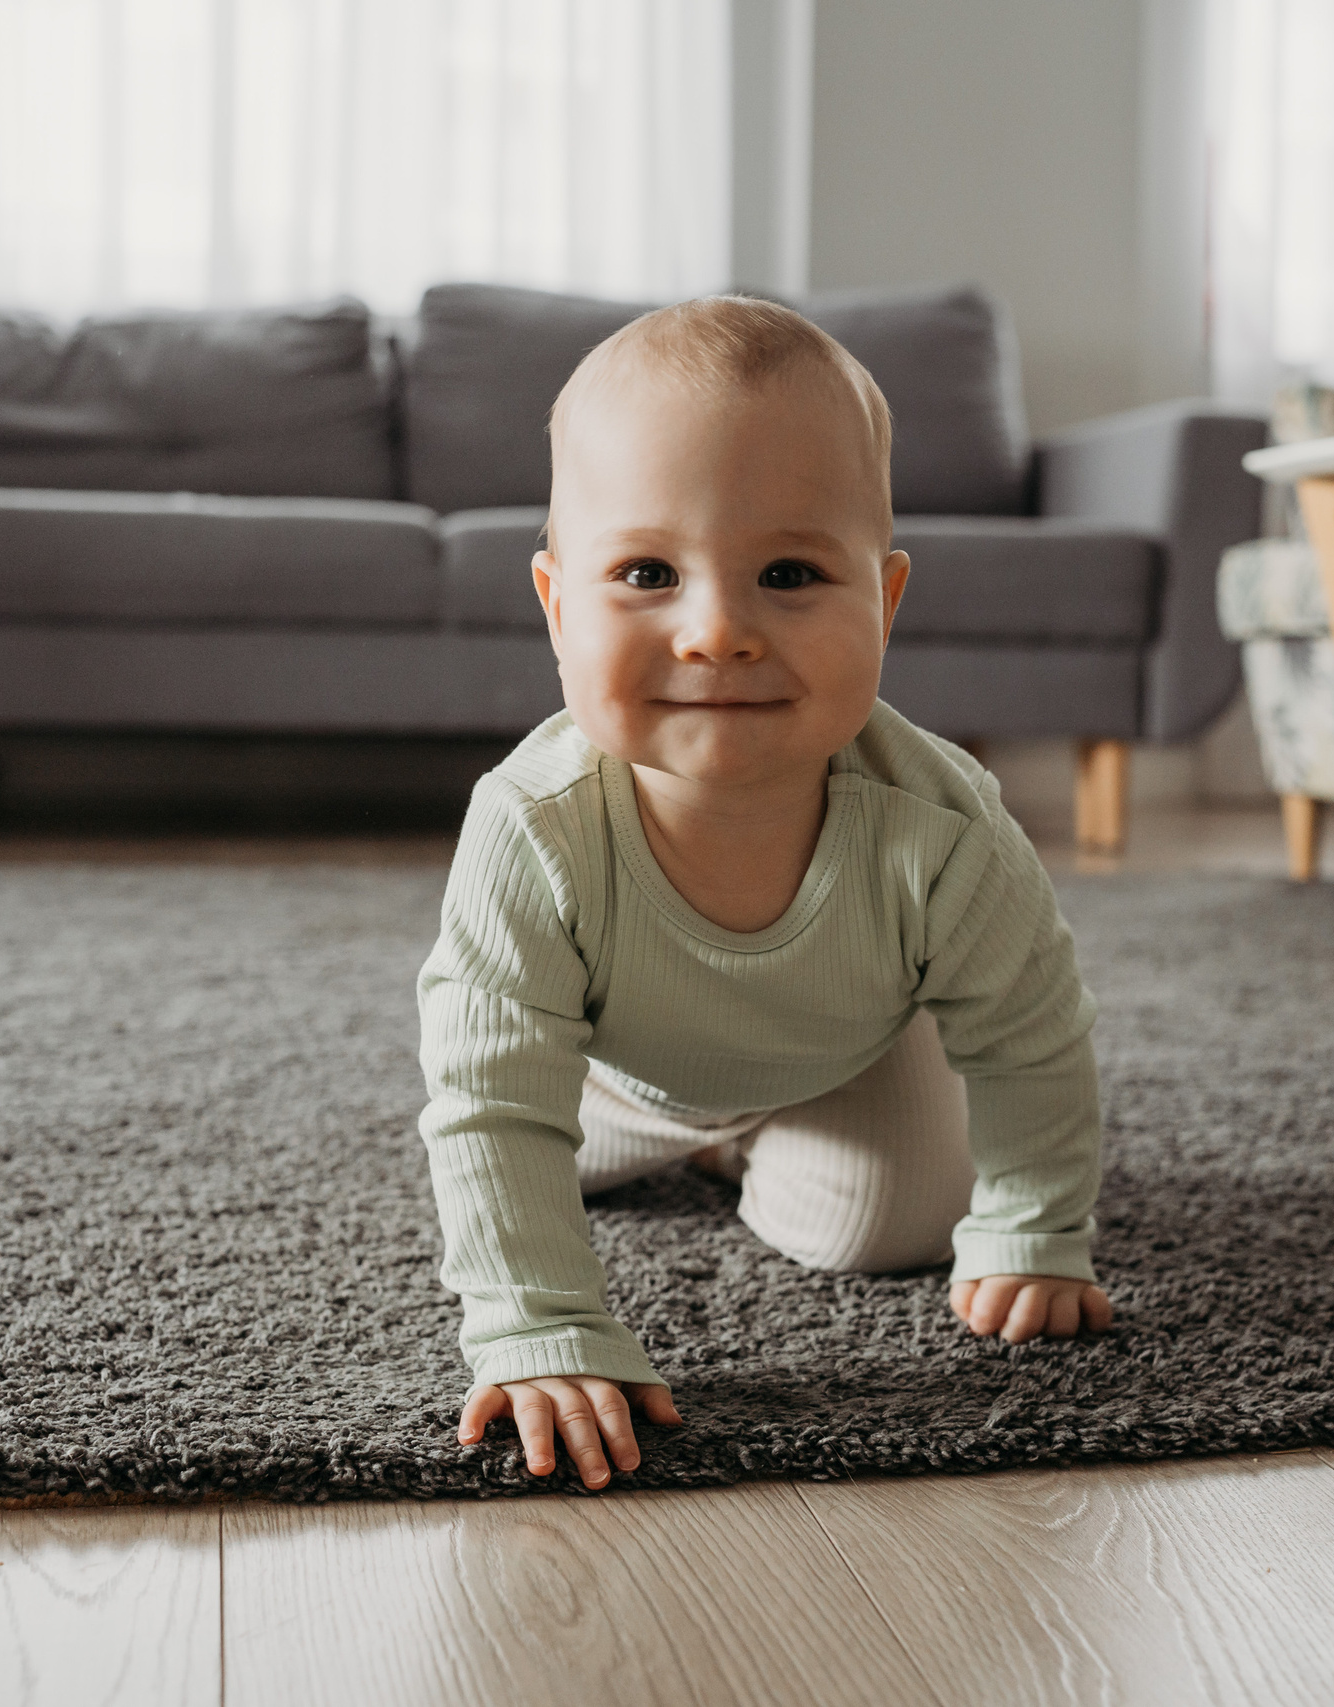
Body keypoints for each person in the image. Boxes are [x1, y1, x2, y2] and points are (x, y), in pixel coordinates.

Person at [417, 297, 1111, 1491]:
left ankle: (746, 1143)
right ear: (556, 604)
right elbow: (492, 1098)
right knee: (509, 1151)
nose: (719, 631)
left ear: (884, 603)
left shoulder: (940, 825)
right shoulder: (533, 822)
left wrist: (1035, 1225)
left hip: (847, 1055)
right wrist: (535, 1322)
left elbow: (1029, 1034)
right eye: (645, 572)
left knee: (889, 1230)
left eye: (788, 573)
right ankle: (684, 1141)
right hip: (606, 1072)